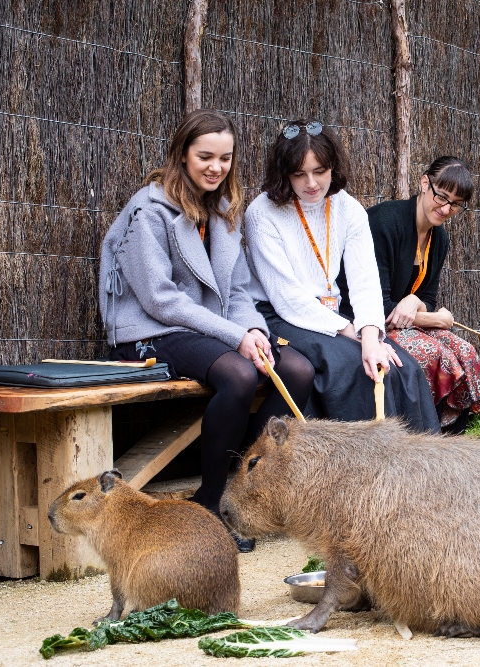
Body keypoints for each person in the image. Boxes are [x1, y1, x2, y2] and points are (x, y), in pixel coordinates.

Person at [99, 110, 316, 552]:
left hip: (204, 329)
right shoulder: (149, 210)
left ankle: (244, 484)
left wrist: (253, 329)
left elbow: (236, 292)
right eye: (205, 157)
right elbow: (161, 299)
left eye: (225, 158)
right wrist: (236, 338)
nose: (216, 167)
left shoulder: (220, 212)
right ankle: (211, 499)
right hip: (149, 331)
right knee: (238, 374)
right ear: (182, 154)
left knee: (295, 369)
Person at [244, 120, 439, 433]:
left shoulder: (348, 208)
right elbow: (286, 297)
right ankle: (356, 468)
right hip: (280, 315)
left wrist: (371, 335)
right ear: (284, 173)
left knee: (403, 368)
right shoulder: (261, 214)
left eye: (320, 171)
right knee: (350, 366)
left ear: (333, 167)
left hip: (332, 315)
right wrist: (355, 335)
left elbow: (365, 282)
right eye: (299, 173)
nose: (311, 183)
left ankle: (416, 468)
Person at [341, 156, 480, 432]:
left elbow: (429, 299)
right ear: (425, 183)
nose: (446, 208)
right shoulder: (384, 223)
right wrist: (438, 320)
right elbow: (382, 307)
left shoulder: (440, 238)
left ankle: (451, 433)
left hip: (402, 323)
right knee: (438, 354)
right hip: (361, 322)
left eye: (456, 204)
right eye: (441, 196)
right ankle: (423, 431)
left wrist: (415, 300)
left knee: (466, 351)